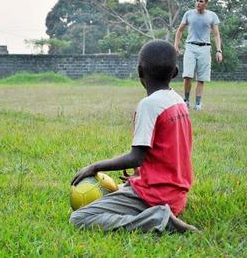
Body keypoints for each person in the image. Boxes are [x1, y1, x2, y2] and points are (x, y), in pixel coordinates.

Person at [70, 40, 198, 234]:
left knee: (79, 217)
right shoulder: (178, 101)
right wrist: (141, 174)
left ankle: (158, 219)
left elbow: (136, 157)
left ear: (140, 71)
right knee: (117, 190)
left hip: (155, 196)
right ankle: (158, 211)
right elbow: (163, 151)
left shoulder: (149, 105)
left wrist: (95, 166)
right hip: (176, 195)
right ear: (175, 73)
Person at [174, 0, 223, 110]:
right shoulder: (188, 14)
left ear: (206, 3)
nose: (198, 3)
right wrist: (176, 44)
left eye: (201, 1)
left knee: (201, 78)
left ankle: (198, 104)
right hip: (190, 47)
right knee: (187, 76)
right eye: (196, 1)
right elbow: (180, 30)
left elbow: (216, 34)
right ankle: (186, 101)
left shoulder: (212, 16)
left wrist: (219, 50)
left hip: (205, 48)